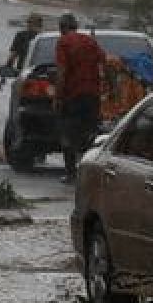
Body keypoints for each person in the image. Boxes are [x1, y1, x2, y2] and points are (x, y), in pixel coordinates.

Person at [53, 13, 105, 183]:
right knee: (90, 133)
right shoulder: (90, 41)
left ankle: (71, 174)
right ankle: (90, 172)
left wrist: (57, 97)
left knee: (68, 134)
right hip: (92, 95)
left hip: (73, 96)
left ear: (62, 28)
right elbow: (105, 62)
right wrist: (112, 88)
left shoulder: (63, 42)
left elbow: (61, 72)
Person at [0, 13, 43, 89]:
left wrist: (4, 76)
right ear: (41, 25)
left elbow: (12, 57)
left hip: (23, 76)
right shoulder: (44, 38)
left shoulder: (21, 36)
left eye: (29, 23)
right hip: (41, 77)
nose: (28, 25)